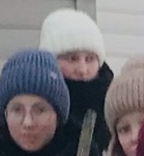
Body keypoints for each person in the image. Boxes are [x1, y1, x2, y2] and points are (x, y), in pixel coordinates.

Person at [39, 10, 117, 147]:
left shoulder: (115, 108)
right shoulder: (34, 106)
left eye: (90, 59)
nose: (82, 69)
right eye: (72, 59)